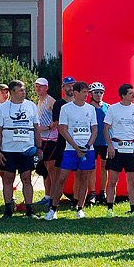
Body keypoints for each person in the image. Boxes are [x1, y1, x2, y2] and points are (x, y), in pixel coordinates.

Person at [45, 81, 97, 220]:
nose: (87, 95)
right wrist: (75, 147)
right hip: (70, 149)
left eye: (87, 92)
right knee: (61, 178)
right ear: (76, 93)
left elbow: (94, 129)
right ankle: (53, 209)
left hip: (87, 149)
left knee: (84, 177)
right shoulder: (66, 108)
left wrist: (86, 146)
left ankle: (80, 208)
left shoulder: (90, 109)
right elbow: (62, 129)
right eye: (84, 92)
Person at [0, 80, 37, 218]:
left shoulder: (31, 106)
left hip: (26, 149)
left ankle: (29, 210)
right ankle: (7, 210)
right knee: (8, 178)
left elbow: (36, 128)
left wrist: (39, 148)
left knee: (26, 178)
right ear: (12, 92)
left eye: (24, 90)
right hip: (8, 150)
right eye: (21, 90)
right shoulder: (3, 107)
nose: (24, 92)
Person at [103, 83, 134, 217]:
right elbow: (106, 128)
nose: (133, 95)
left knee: (131, 181)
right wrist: (110, 145)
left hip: (131, 149)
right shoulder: (113, 109)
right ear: (123, 95)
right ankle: (110, 208)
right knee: (113, 180)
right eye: (131, 93)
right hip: (116, 148)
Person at [33, 77, 57, 205]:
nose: (38, 88)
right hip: (41, 138)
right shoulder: (39, 101)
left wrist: (47, 127)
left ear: (46, 87)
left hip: (51, 139)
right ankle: (47, 196)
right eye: (36, 86)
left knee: (51, 169)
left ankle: (53, 197)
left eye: (41, 86)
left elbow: (58, 117)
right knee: (44, 169)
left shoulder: (50, 100)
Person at [87, 82, 108, 207]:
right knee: (92, 169)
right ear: (91, 94)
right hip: (93, 142)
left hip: (105, 141)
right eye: (96, 92)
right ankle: (92, 193)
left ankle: (102, 192)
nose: (99, 95)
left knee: (104, 169)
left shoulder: (108, 107)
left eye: (101, 92)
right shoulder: (88, 107)